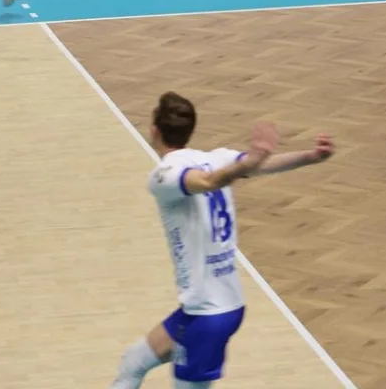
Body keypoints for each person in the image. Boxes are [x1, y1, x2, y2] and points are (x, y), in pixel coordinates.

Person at [110, 92, 335, 389]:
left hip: (208, 314)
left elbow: (207, 182)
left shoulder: (164, 176)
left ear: (154, 131)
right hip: (203, 308)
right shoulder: (216, 158)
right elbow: (262, 165)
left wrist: (252, 162)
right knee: (134, 361)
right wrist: (309, 156)